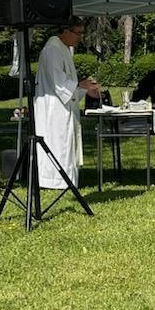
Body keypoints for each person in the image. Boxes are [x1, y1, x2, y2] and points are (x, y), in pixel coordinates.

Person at [34, 18, 99, 188]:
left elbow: (67, 85)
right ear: (65, 31)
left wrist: (85, 89)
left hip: (63, 105)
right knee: (58, 142)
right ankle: (55, 180)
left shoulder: (62, 48)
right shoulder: (52, 50)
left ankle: (67, 179)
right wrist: (79, 85)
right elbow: (58, 82)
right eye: (78, 33)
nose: (80, 37)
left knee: (65, 143)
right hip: (54, 108)